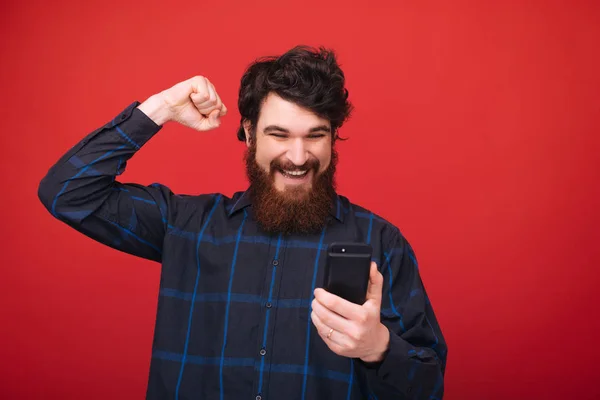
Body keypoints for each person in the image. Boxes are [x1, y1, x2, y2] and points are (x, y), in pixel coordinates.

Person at [38, 45, 447, 399]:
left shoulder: (381, 242)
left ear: (333, 137)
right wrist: (159, 108)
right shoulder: (187, 225)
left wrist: (378, 347)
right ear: (249, 134)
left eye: (315, 135)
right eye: (280, 134)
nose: (299, 156)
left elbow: (428, 387)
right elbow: (67, 193)